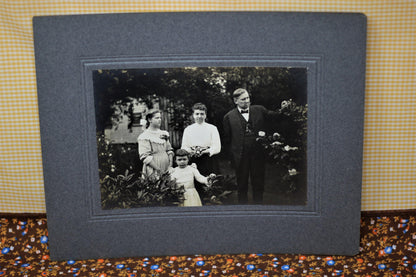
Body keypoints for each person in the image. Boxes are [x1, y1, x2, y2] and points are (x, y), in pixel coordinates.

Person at [222, 88, 285, 204]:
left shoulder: (259, 110)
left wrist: (284, 108)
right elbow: (227, 140)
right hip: (240, 156)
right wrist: (232, 158)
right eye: (243, 99)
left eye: (248, 98)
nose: (247, 101)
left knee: (258, 184)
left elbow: (275, 116)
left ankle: (258, 208)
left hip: (258, 154)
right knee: (242, 186)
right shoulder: (228, 117)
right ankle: (243, 210)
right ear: (236, 101)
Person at [181, 103, 221, 175]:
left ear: (205, 115)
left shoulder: (212, 128)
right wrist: (192, 151)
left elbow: (217, 146)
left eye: (202, 114)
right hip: (193, 159)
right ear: (193, 115)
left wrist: (205, 151)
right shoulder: (188, 129)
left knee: (210, 182)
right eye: (197, 114)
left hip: (208, 159)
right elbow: (184, 146)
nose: (199, 116)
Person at [137, 110, 174, 177]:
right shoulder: (144, 136)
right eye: (157, 118)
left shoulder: (164, 133)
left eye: (160, 118)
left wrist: (170, 165)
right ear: (149, 120)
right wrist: (159, 170)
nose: (159, 120)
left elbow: (169, 150)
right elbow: (145, 156)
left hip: (166, 166)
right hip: (154, 167)